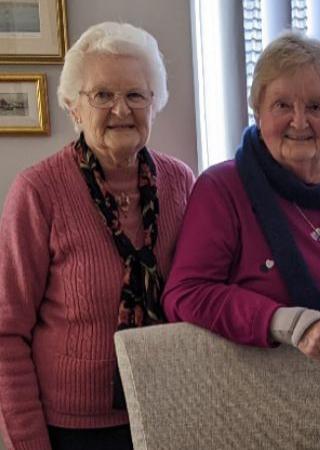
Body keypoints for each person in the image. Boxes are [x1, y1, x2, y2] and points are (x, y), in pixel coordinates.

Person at [0, 22, 194, 450]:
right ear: (74, 107)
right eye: (103, 95)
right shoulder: (38, 192)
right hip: (73, 430)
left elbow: (198, 292)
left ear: (155, 103)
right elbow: (7, 332)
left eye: (135, 95)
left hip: (169, 408)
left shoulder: (180, 183)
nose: (121, 110)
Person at [162, 31, 320, 360]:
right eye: (282, 105)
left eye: (315, 106)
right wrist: (288, 322)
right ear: (257, 112)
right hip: (268, 394)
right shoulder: (222, 189)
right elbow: (185, 294)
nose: (299, 121)